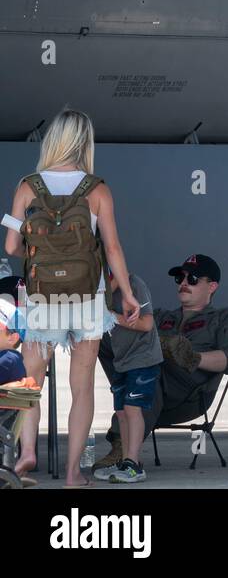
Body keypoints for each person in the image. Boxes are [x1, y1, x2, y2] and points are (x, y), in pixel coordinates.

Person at [4, 108, 141, 488]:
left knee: (29, 380)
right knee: (81, 387)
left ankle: (26, 452)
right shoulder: (97, 189)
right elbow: (112, 248)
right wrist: (127, 294)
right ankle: (72, 474)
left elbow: (12, 245)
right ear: (85, 143)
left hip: (41, 298)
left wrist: (42, 250)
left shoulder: (27, 186)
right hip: (87, 299)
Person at [93, 254, 228, 475]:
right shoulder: (160, 317)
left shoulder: (225, 318)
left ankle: (125, 451)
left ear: (212, 286)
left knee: (148, 369)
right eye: (180, 278)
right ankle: (123, 440)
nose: (184, 283)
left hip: (190, 395)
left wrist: (193, 358)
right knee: (101, 339)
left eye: (193, 279)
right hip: (145, 384)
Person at [96, 264, 162, 483]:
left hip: (142, 358)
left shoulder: (134, 284)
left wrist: (111, 316)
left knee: (133, 410)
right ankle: (125, 460)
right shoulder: (99, 295)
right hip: (121, 360)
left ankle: (134, 465)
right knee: (122, 412)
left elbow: (146, 324)